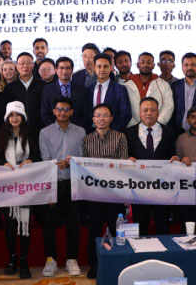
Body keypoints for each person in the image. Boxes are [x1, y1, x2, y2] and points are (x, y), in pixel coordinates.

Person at [39, 97, 84, 278]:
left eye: (66, 109)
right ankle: (51, 260)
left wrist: (71, 163)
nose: (62, 113)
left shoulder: (80, 132)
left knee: (73, 223)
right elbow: (45, 158)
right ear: (54, 111)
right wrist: (57, 164)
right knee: (49, 224)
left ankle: (71, 259)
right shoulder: (45, 132)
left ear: (71, 112)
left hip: (73, 183)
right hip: (53, 183)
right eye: (59, 109)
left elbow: (82, 157)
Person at [83, 103, 128, 279]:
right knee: (94, 231)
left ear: (111, 118)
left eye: (105, 115)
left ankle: (118, 265)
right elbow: (83, 165)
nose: (101, 118)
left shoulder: (120, 137)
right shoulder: (86, 139)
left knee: (116, 230)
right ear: (93, 119)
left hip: (114, 193)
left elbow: (123, 164)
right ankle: (94, 265)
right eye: (98, 115)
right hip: (94, 194)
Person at [0, 102, 39, 279]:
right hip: (7, 187)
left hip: (26, 187)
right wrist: (3, 164)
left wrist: (31, 160)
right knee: (10, 225)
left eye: (17, 115)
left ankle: (24, 261)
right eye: (11, 115)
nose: (14, 118)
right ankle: (12, 258)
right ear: (7, 117)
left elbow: (38, 156)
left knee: (24, 224)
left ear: (23, 117)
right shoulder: (0, 135)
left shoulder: (30, 134)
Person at [126, 97, 175, 235]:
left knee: (162, 226)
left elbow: (174, 154)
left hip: (163, 188)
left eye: (152, 110)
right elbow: (125, 156)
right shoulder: (128, 133)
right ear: (139, 112)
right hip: (138, 189)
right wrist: (127, 160)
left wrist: (175, 158)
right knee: (140, 227)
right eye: (145, 110)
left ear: (158, 112)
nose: (149, 113)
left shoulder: (170, 132)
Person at [119, 52, 173, 128]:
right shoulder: (126, 85)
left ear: (153, 65)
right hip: (132, 128)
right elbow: (123, 108)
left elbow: (168, 106)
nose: (145, 65)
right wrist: (134, 126)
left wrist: (157, 124)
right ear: (138, 65)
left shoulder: (163, 84)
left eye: (149, 62)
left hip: (157, 127)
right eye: (142, 62)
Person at [41, 57, 90, 130]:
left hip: (77, 130)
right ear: (56, 70)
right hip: (55, 130)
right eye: (61, 68)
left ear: (72, 70)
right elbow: (45, 113)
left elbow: (85, 113)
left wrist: (75, 128)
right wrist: (57, 128)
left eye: (68, 68)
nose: (64, 71)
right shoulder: (48, 89)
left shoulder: (82, 89)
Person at [90, 53, 132, 130]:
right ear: (94, 68)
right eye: (99, 66)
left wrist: (111, 132)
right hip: (91, 133)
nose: (102, 69)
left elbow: (126, 115)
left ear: (111, 68)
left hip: (113, 133)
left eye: (105, 66)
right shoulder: (88, 89)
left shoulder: (120, 89)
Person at [10, 52, 44, 138]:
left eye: (28, 63)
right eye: (22, 63)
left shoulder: (42, 85)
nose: (25, 66)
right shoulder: (10, 87)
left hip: (39, 131)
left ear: (33, 65)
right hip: (17, 132)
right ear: (16, 66)